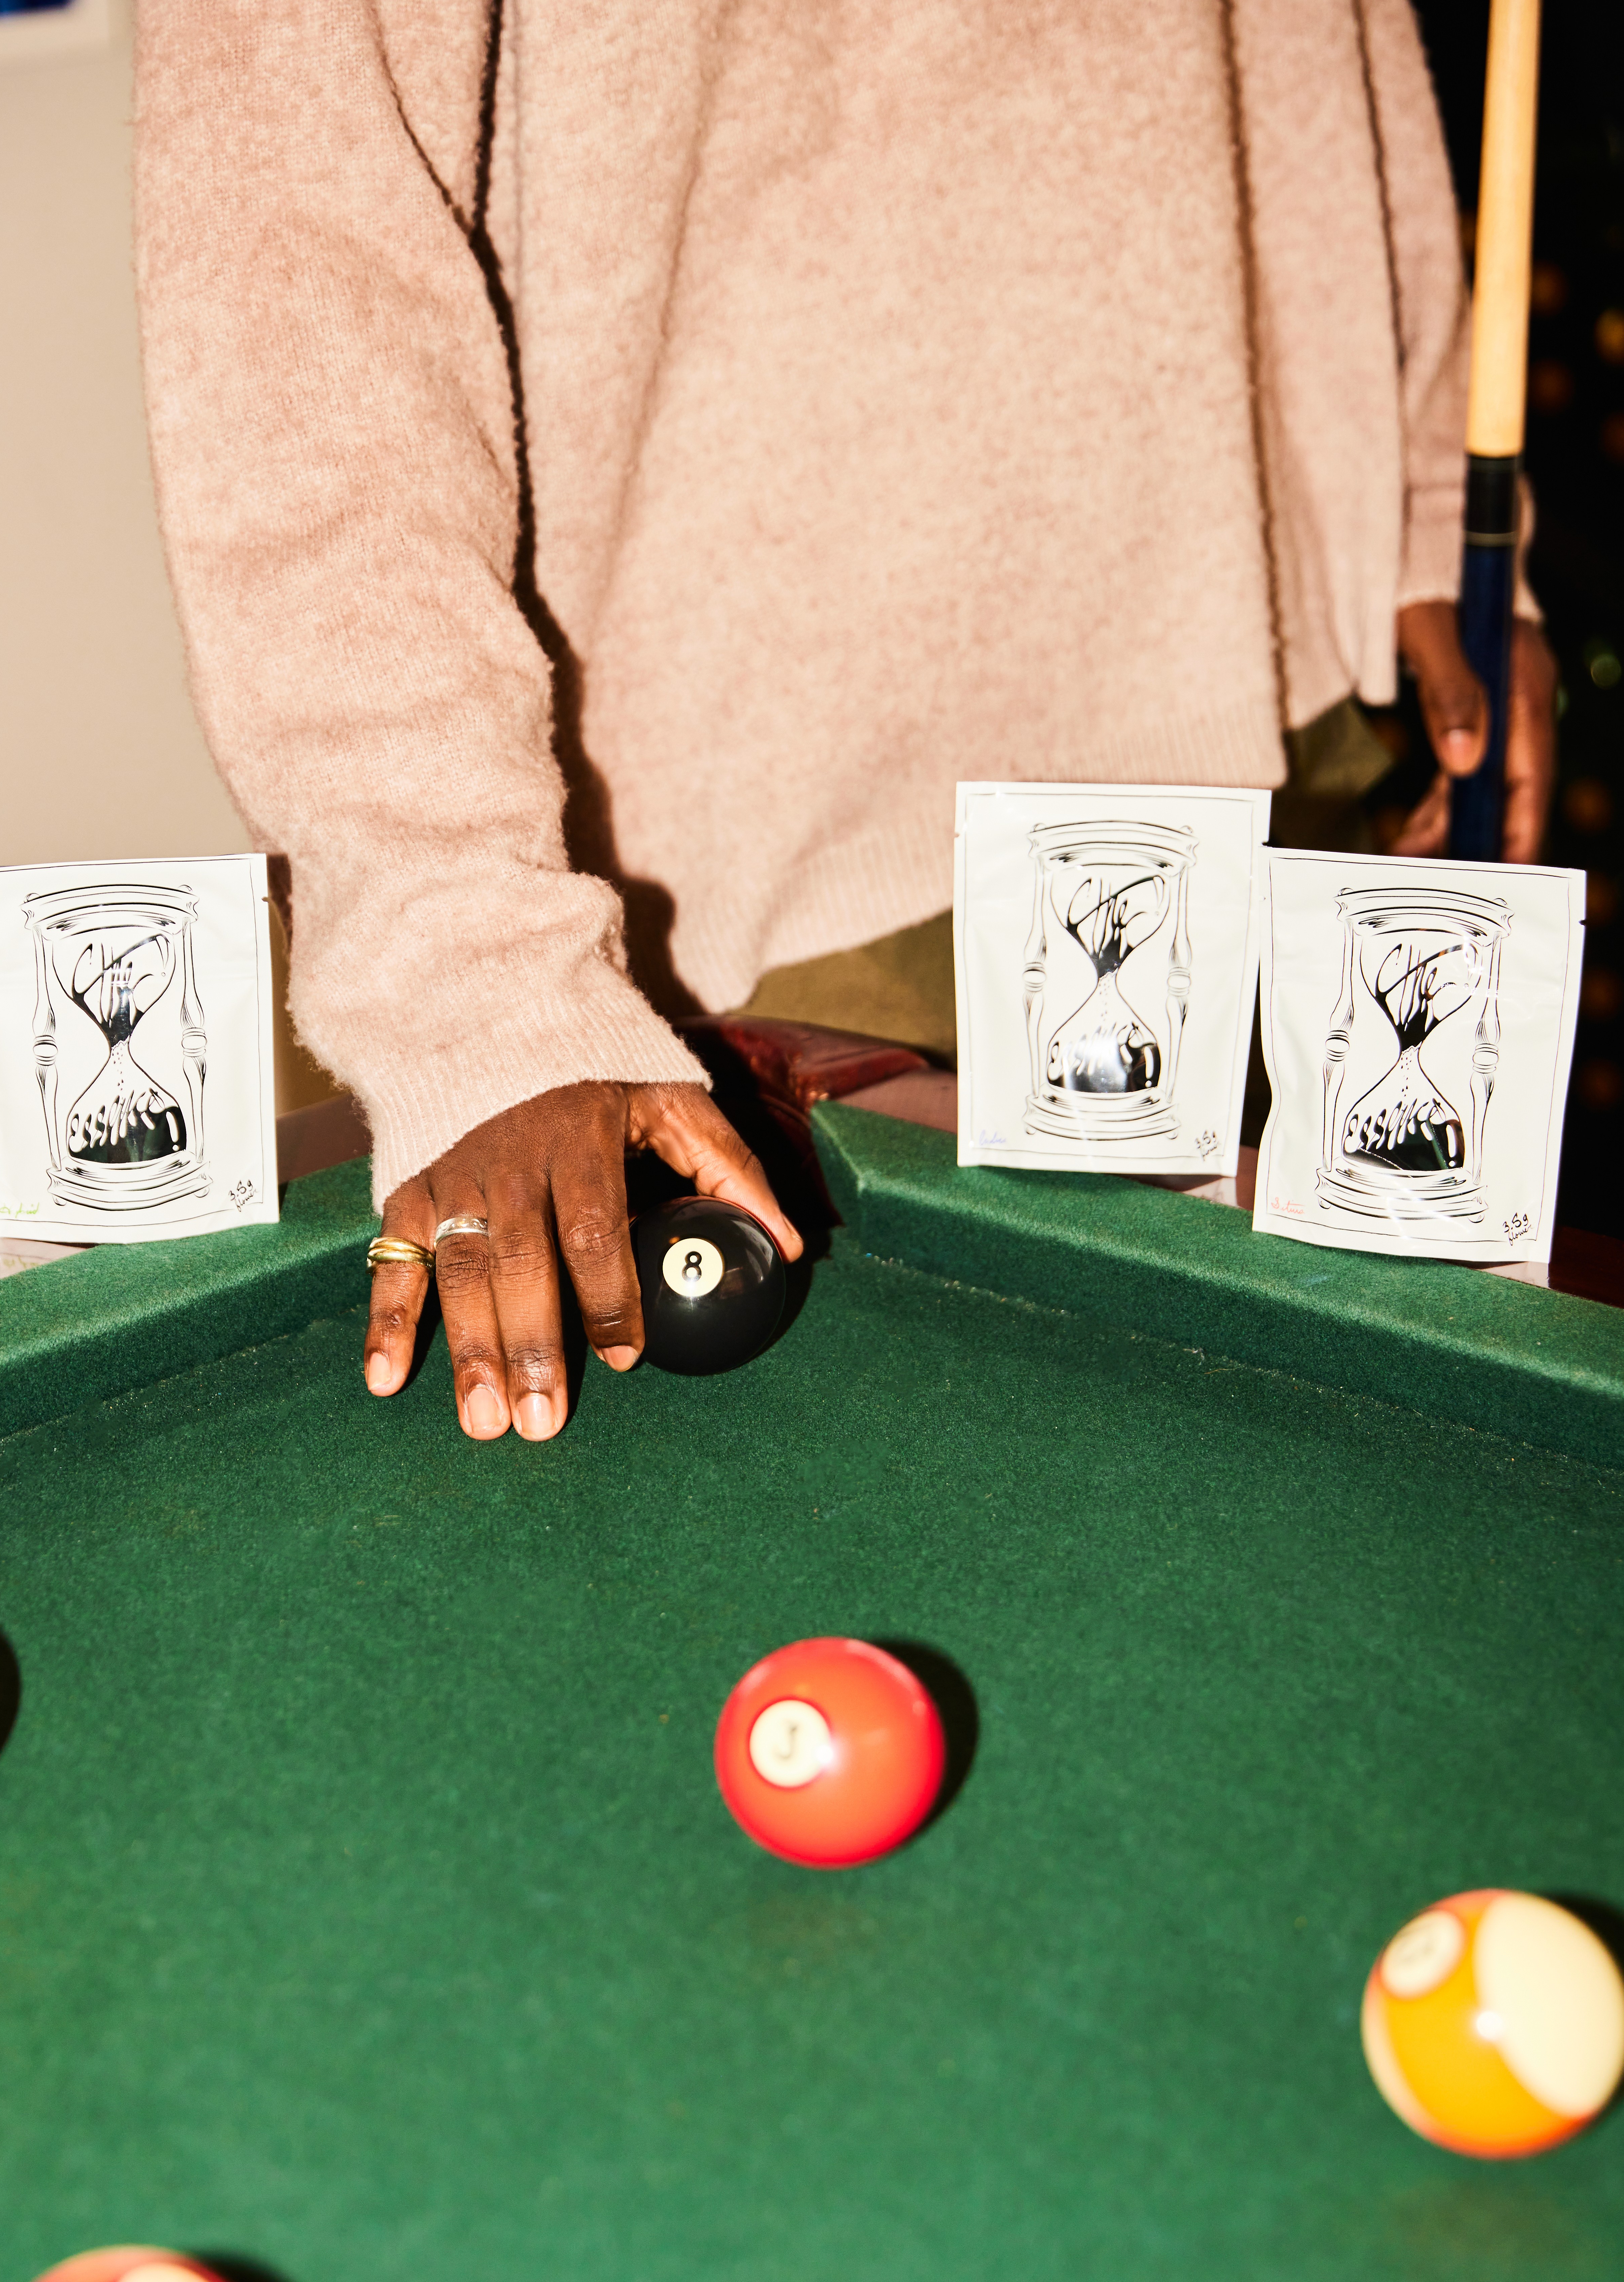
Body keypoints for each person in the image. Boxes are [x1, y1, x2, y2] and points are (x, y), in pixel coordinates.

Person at [135, 0, 1555, 1443]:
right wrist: (467, 963)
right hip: (749, 876)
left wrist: (1423, 491)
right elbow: (291, 246)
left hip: (1275, 707)